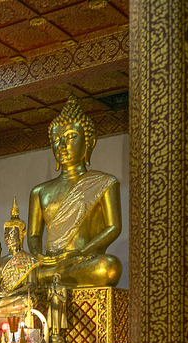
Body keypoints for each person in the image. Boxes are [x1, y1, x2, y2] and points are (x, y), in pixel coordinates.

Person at [27, 94, 123, 288]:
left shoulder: (105, 182)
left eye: (70, 137)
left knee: (109, 267)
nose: (61, 146)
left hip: (83, 261)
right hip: (49, 264)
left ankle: (50, 276)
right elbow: (33, 236)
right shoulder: (39, 191)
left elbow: (113, 227)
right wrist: (38, 255)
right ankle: (48, 275)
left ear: (90, 142)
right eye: (56, 139)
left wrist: (82, 253)